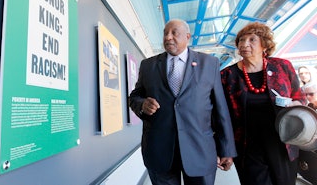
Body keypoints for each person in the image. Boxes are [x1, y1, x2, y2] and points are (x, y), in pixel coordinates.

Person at [129, 19, 237, 185]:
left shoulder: (209, 64)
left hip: (200, 151)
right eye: (165, 33)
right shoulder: (148, 65)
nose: (168, 37)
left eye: (174, 33)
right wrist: (142, 104)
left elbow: (220, 109)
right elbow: (134, 96)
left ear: (188, 37)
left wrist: (226, 149)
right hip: (159, 151)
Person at [220, 22, 306, 185]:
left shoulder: (282, 66)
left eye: (252, 40)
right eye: (241, 40)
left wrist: (296, 104)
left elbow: (300, 96)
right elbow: (221, 115)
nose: (245, 44)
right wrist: (225, 149)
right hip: (247, 146)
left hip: (282, 142)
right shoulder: (227, 75)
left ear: (264, 45)